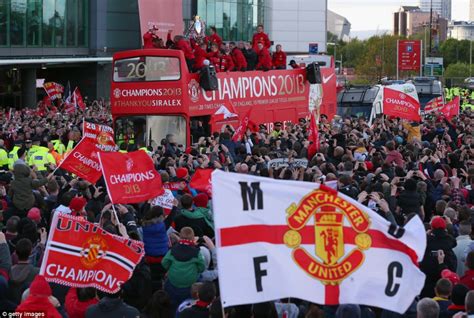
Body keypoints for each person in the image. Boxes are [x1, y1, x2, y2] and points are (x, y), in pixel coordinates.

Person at [162, 227, 206, 311]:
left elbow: (164, 263)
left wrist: (170, 268)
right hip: (189, 286)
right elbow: (202, 267)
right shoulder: (196, 252)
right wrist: (196, 270)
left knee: (172, 302)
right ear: (193, 239)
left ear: (180, 238)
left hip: (172, 283)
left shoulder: (173, 250)